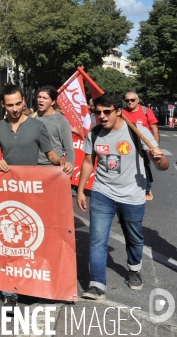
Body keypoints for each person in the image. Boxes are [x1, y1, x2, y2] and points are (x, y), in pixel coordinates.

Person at [77, 94, 168, 300]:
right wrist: (81, 189)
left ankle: (134, 270)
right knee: (97, 238)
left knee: (134, 237)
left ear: (119, 111)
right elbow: (88, 162)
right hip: (102, 192)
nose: (102, 116)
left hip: (132, 194)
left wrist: (158, 159)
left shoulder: (137, 132)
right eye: (98, 112)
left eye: (107, 111)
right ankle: (96, 284)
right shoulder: (95, 133)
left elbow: (163, 166)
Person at [0, 84, 71, 309]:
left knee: (32, 243)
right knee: (8, 243)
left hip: (32, 193)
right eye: (10, 105)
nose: (15, 109)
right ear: (3, 105)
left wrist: (62, 164)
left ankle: (32, 284)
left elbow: (51, 154)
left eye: (18, 103)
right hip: (6, 194)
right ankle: (9, 292)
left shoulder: (37, 126)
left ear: (24, 101)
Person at [122, 92, 160, 200]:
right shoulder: (122, 112)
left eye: (132, 100)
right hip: (127, 146)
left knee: (145, 168)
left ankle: (147, 189)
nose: (129, 102)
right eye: (127, 100)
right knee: (127, 168)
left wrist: (155, 147)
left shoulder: (146, 111)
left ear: (138, 100)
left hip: (144, 146)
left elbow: (155, 129)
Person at [34, 86, 75, 175]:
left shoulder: (61, 121)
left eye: (44, 98)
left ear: (53, 102)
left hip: (52, 169)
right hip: (33, 167)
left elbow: (69, 149)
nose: (40, 100)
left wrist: (69, 172)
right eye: (39, 97)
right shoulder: (32, 117)